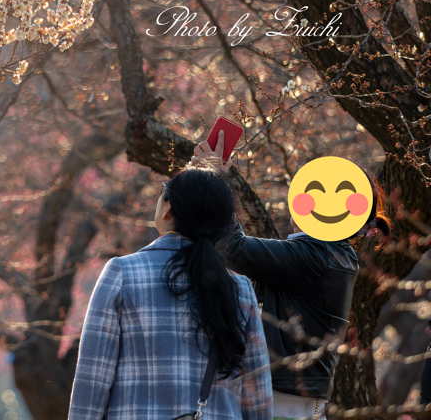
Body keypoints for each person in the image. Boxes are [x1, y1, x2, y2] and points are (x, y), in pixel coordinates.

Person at [194, 138, 392, 420]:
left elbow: (233, 248)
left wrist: (215, 182)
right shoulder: (330, 254)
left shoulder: (317, 254)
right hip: (291, 400)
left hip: (283, 403)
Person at [68, 164, 273, 420]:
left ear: (168, 208)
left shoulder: (122, 273)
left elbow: (93, 380)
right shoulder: (239, 288)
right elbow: (258, 397)